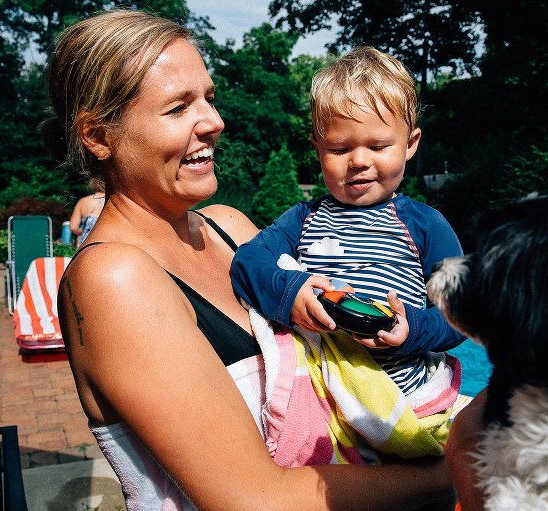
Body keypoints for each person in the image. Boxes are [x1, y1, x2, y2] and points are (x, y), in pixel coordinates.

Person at [42, 9, 454, 510]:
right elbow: (254, 500)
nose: (214, 123)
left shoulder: (230, 228)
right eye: (177, 109)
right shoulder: (114, 279)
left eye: (209, 99)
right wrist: (460, 465)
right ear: (98, 136)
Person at [231, 46, 465, 396]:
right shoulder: (303, 218)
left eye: (378, 146)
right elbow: (247, 261)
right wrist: (291, 292)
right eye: (340, 149)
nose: (358, 161)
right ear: (318, 149)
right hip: (319, 393)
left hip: (402, 394)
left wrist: (410, 328)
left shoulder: (425, 224)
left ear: (410, 143)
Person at [68, 179, 105, 246]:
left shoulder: (83, 201)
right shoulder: (112, 202)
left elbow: (73, 227)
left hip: (86, 243)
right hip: (105, 243)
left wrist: (86, 230)